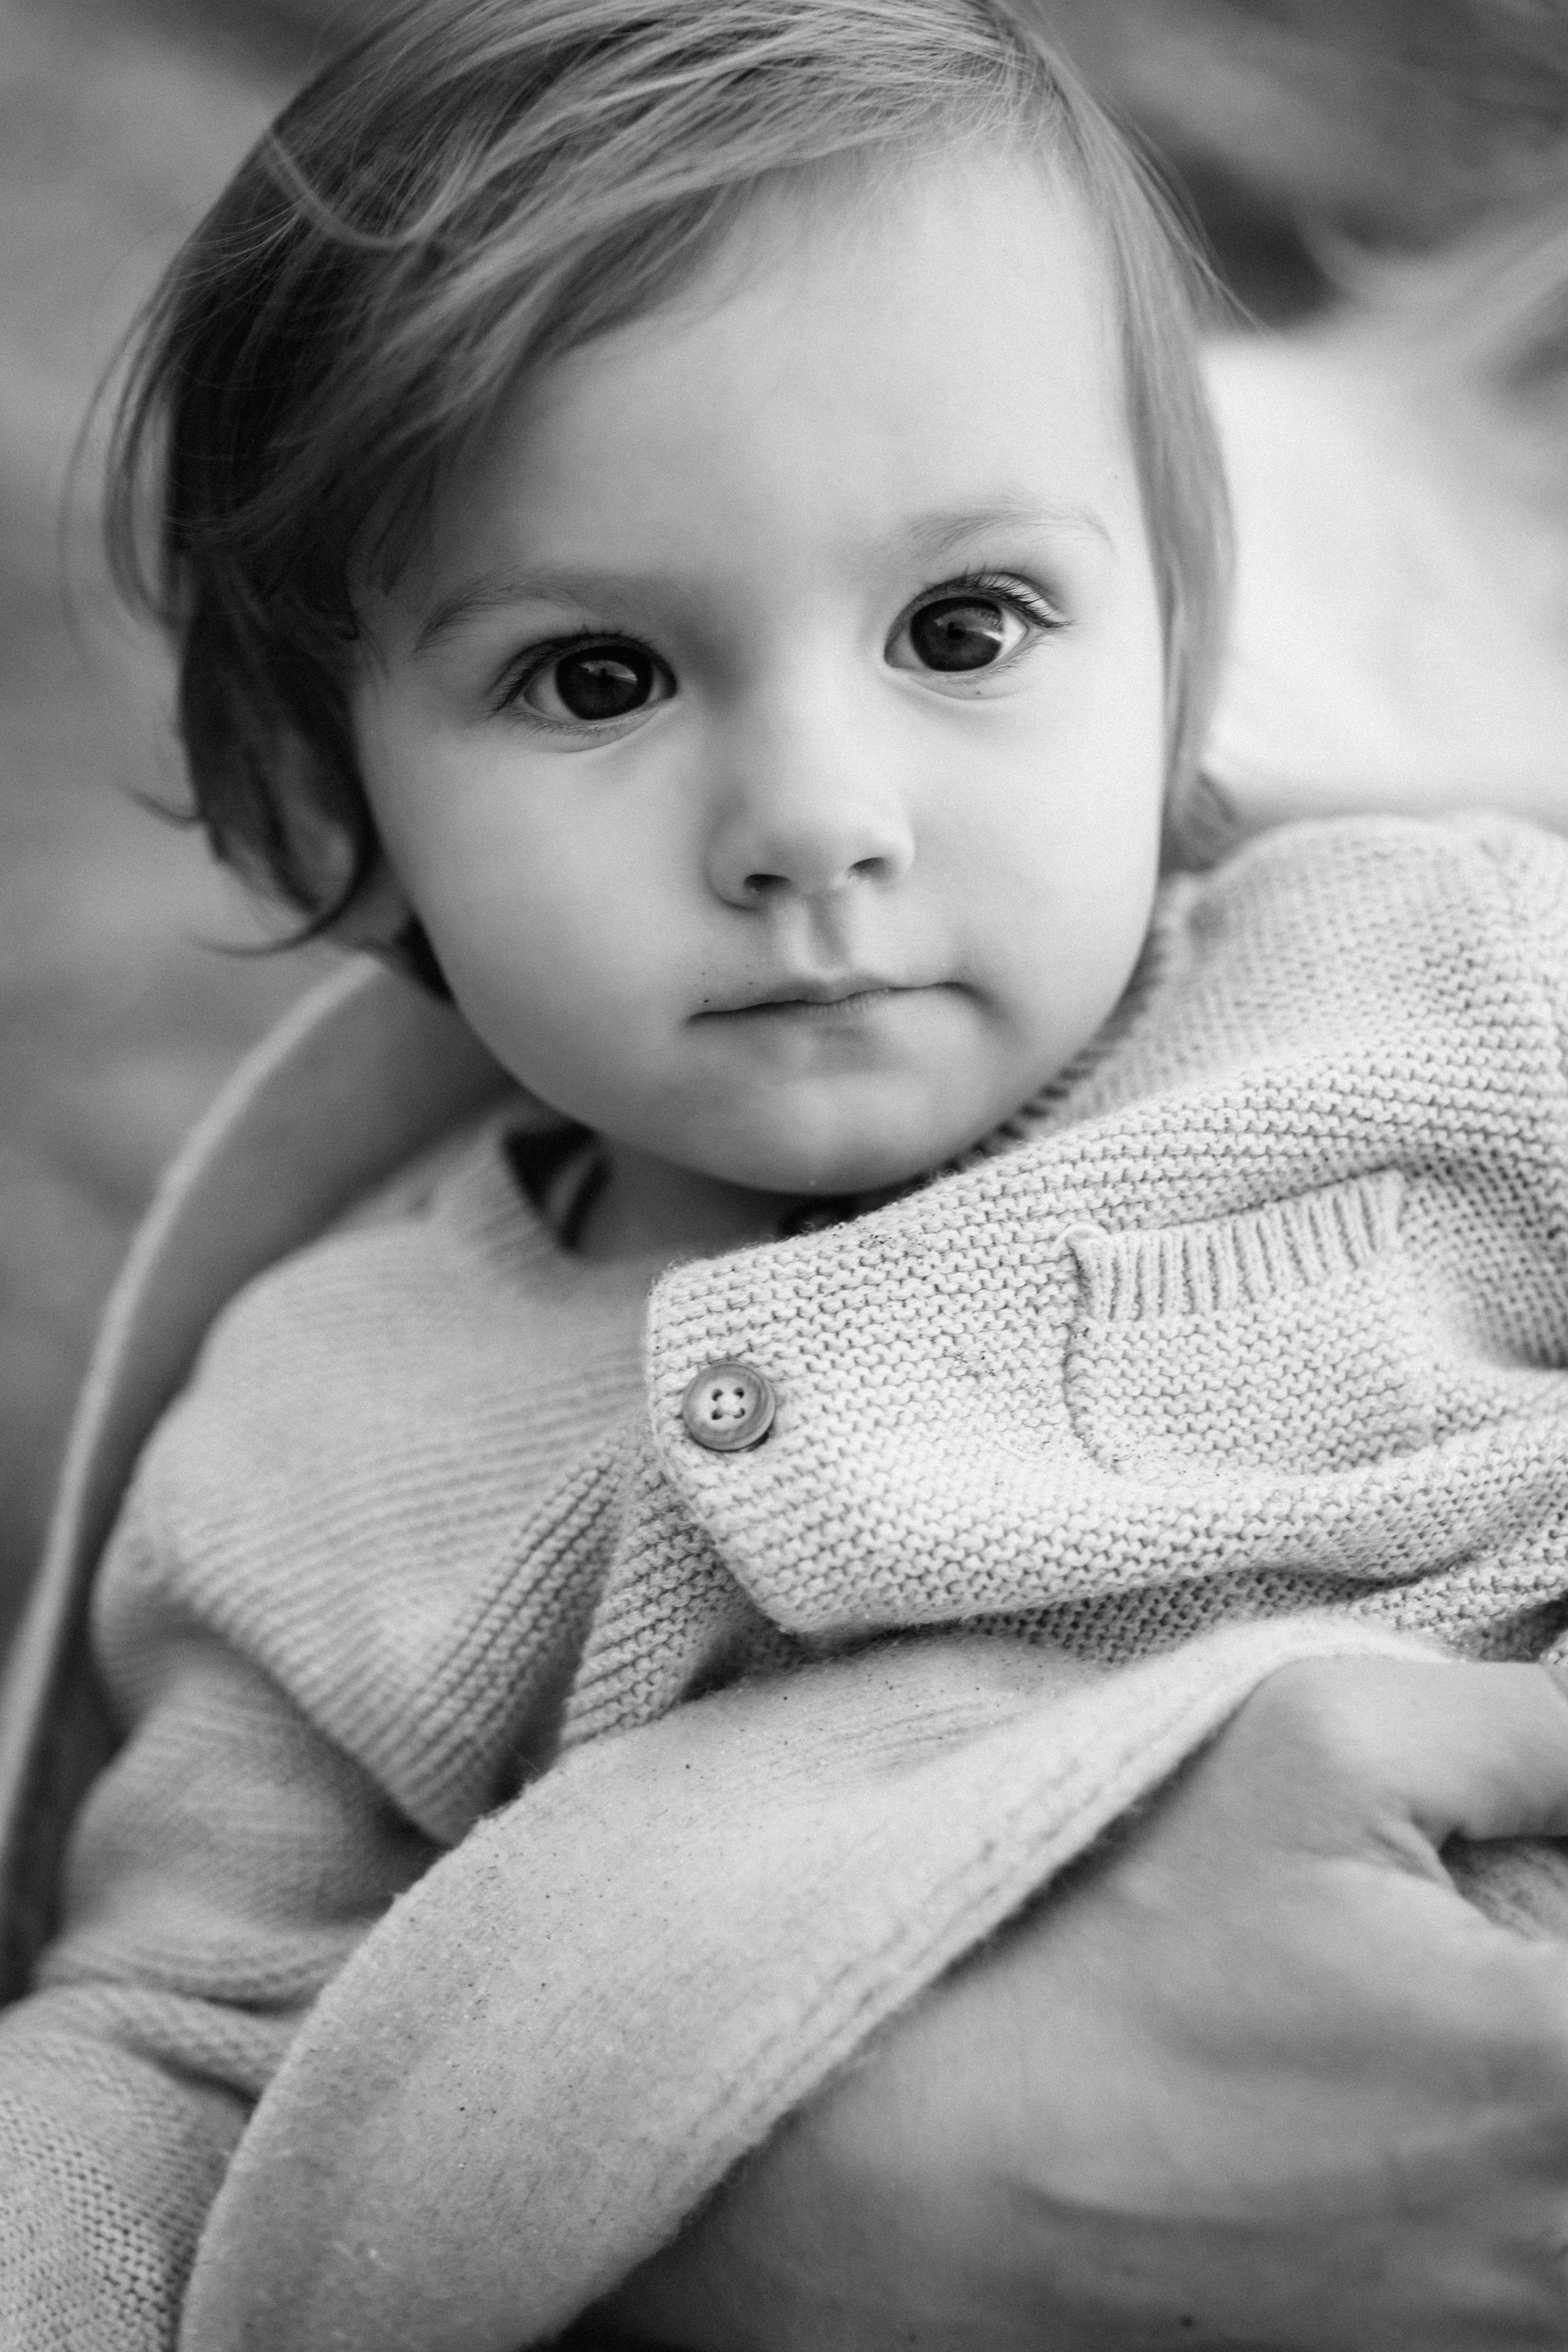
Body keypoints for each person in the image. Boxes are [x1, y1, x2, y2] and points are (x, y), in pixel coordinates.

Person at [8, 1, 1568, 2345]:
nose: (815, 820)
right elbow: (180, 2057)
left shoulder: (1449, 982)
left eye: (965, 630)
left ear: (1180, 651)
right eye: (598, 678)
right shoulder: (314, 1442)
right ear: (331, 799)